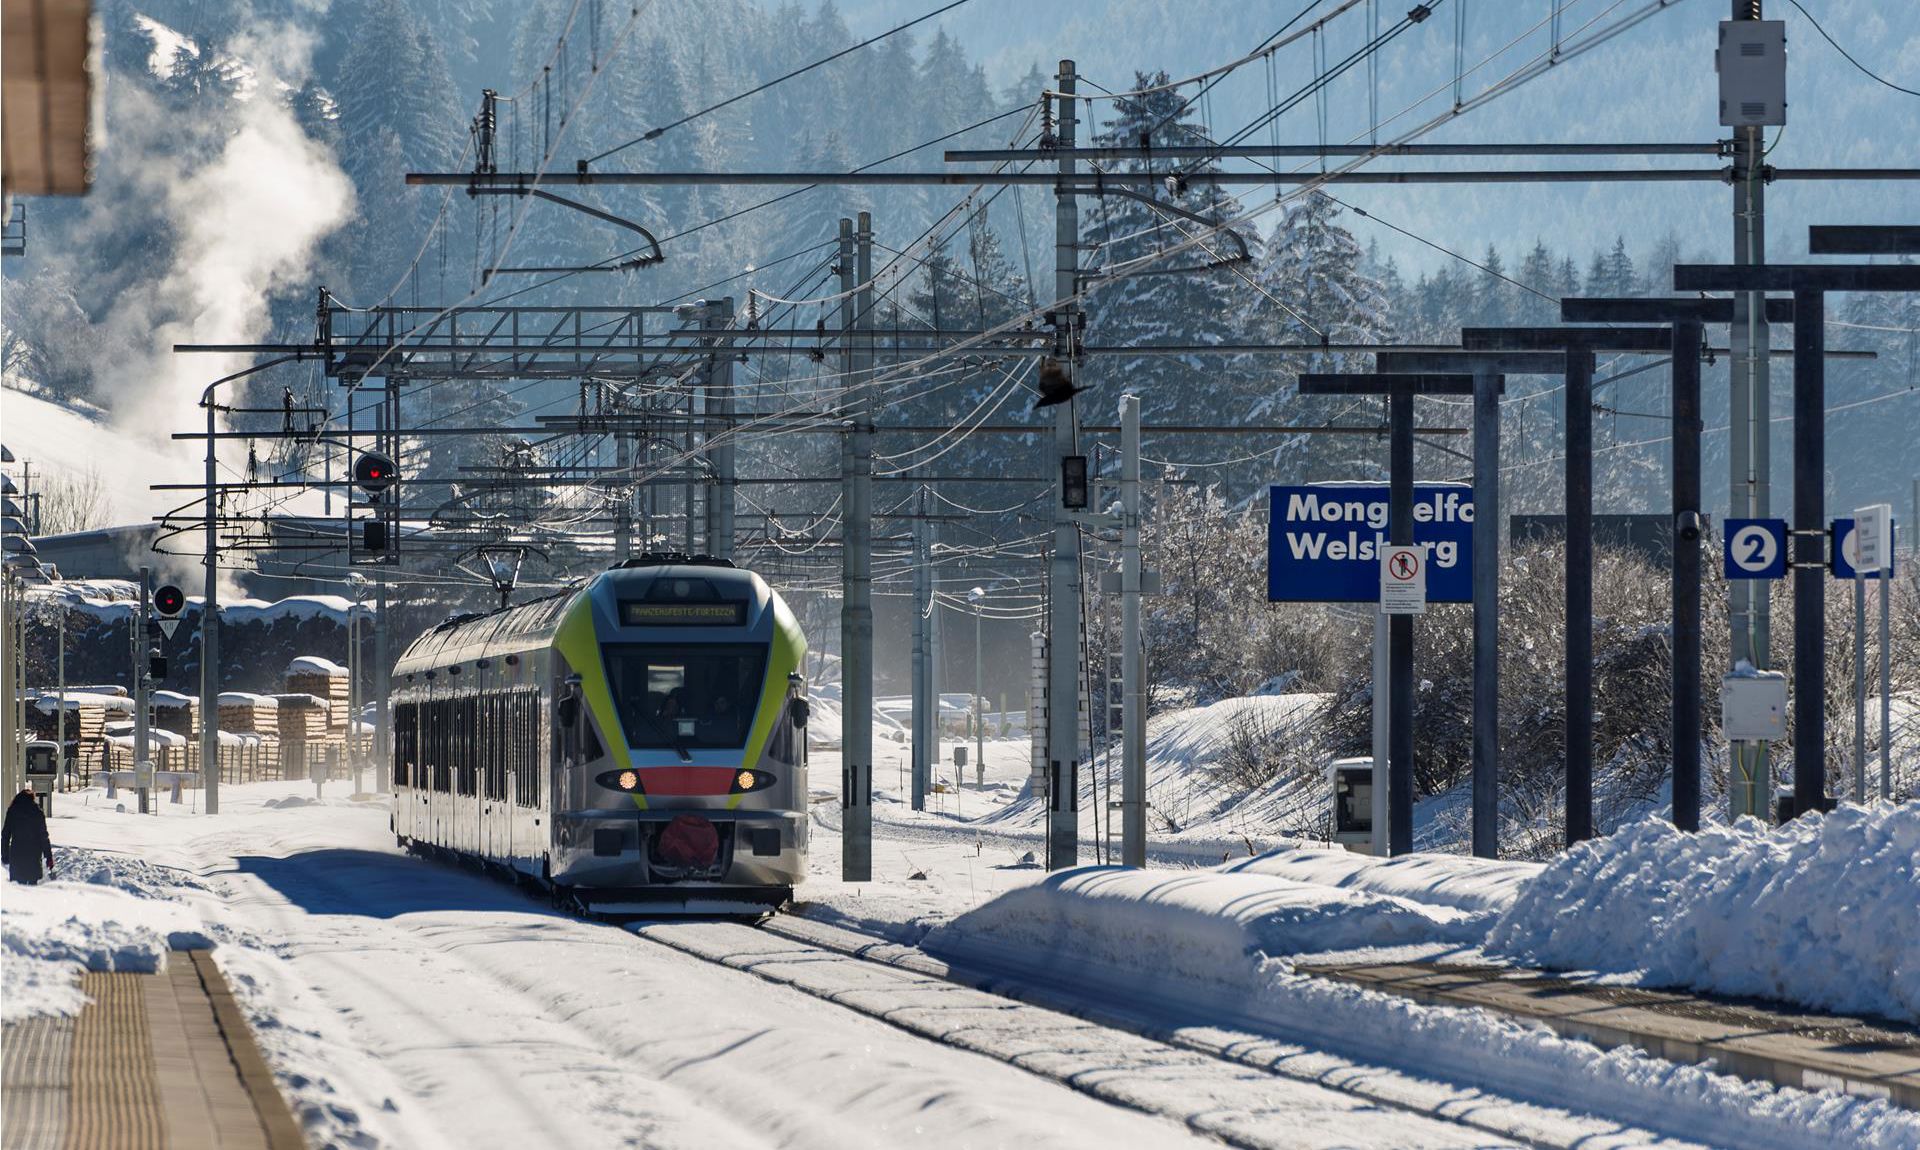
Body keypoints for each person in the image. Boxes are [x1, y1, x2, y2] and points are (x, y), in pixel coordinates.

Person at [3, 785, 54, 885]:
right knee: (32, 890)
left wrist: (5, 855)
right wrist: (49, 857)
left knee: (18, 889)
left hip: (17, 856)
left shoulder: (12, 811)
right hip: (33, 857)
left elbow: (5, 835)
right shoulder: (37, 812)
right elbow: (43, 836)